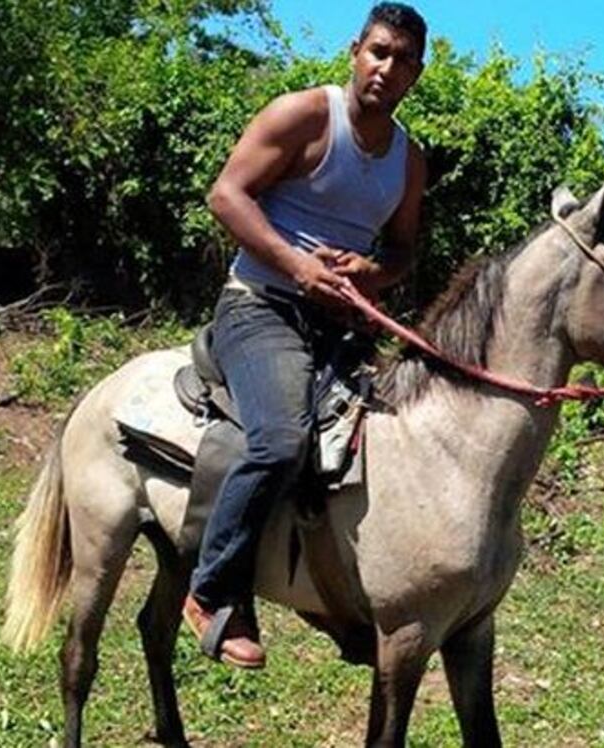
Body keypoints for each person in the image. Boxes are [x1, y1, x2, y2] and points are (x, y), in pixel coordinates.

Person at [183, 2, 428, 669]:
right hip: (260, 305)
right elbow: (227, 194)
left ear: (417, 74)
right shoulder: (304, 116)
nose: (387, 68)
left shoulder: (409, 161)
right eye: (379, 51)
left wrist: (373, 272)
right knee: (282, 438)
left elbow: (405, 251)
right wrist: (299, 266)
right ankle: (212, 591)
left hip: (338, 322)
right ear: (355, 51)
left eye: (403, 60)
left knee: (379, 447)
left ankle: (328, 593)